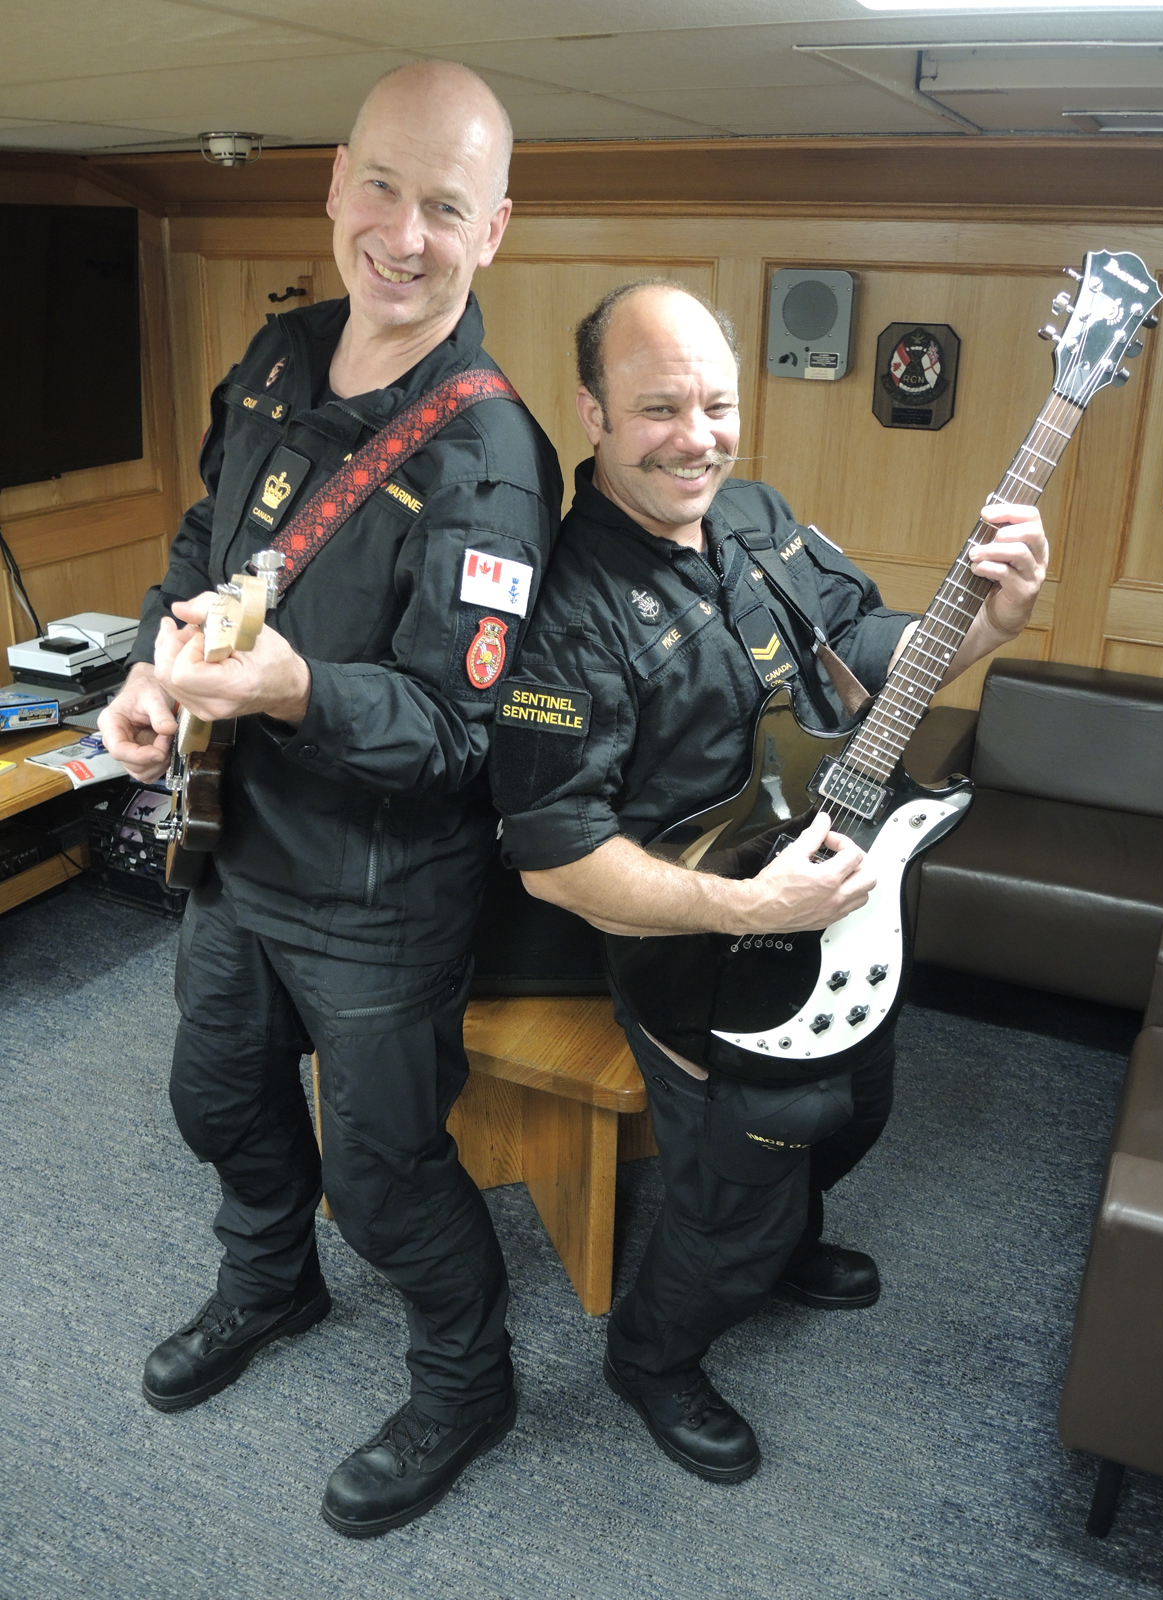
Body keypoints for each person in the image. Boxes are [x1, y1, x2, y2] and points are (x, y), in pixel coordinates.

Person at [98, 62, 561, 1537]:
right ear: (333, 183)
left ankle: (465, 1377)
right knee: (215, 1096)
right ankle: (269, 1284)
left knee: (385, 1174)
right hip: (236, 851)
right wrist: (153, 673)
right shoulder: (283, 352)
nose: (404, 234)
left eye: (445, 205)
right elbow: (204, 538)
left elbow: (451, 729)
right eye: (382, 186)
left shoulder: (493, 456)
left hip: (379, 894)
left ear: (495, 226)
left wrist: (294, 689)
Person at [490, 280, 1047, 1484]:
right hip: (691, 946)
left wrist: (988, 623)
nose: (697, 435)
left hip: (833, 899)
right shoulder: (562, 606)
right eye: (658, 408)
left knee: (862, 1104)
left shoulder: (757, 515)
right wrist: (752, 908)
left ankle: (789, 1232)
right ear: (590, 411)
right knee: (744, 1178)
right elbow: (556, 862)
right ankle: (654, 1352)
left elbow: (859, 658)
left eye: (716, 402)